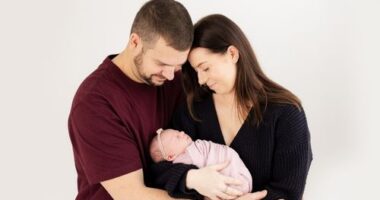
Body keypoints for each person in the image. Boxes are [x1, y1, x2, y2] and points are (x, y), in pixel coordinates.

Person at [152, 14, 313, 200]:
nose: (201, 80)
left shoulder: (287, 114)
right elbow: (158, 169)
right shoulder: (194, 109)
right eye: (196, 71)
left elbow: (289, 191)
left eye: (205, 68)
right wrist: (192, 178)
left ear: (232, 54)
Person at [67, 1, 195, 199]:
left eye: (178, 65)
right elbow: (132, 195)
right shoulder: (94, 103)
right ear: (135, 42)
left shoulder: (174, 80)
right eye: (162, 63)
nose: (170, 75)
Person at [150, 128, 252, 194]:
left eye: (178, 131)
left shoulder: (194, 147)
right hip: (236, 176)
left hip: (229, 160)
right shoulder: (184, 158)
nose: (182, 132)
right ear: (171, 156)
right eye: (177, 137)